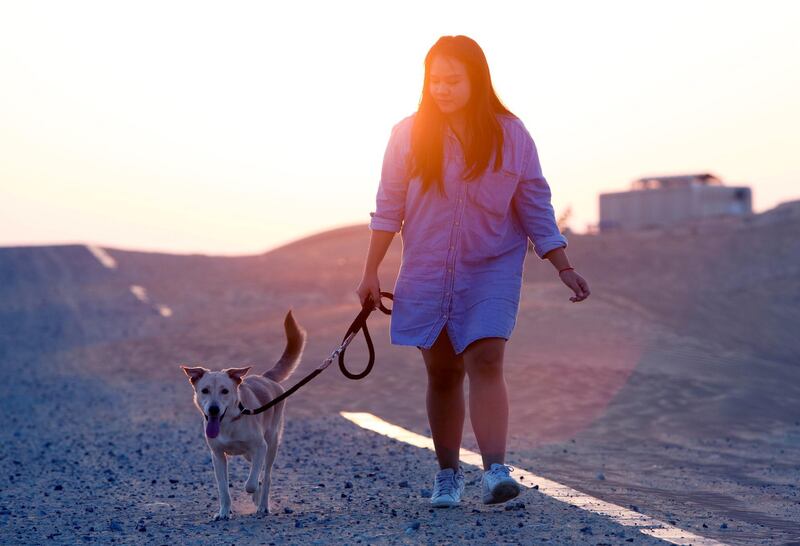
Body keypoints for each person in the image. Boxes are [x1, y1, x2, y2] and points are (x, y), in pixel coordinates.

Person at [356, 35, 590, 508]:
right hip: (426, 269)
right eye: (434, 80)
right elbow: (388, 209)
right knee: (442, 374)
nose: (441, 89)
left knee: (486, 359)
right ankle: (448, 475)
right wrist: (370, 272)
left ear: (475, 79)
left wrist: (561, 263)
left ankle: (495, 471)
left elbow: (534, 204)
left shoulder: (511, 134)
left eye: (452, 80)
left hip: (492, 268)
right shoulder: (407, 134)